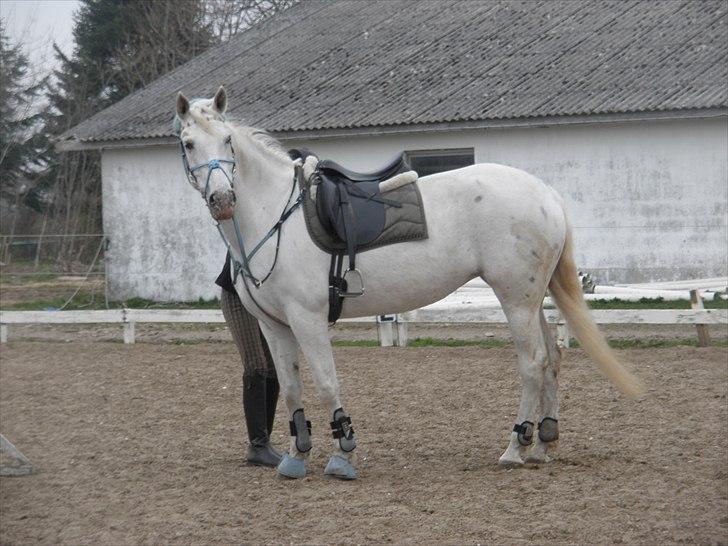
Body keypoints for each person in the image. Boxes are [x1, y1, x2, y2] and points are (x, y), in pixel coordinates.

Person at [217, 254, 282, 467]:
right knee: (256, 364)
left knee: (273, 367)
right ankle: (257, 445)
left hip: (259, 301)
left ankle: (265, 441)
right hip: (237, 299)